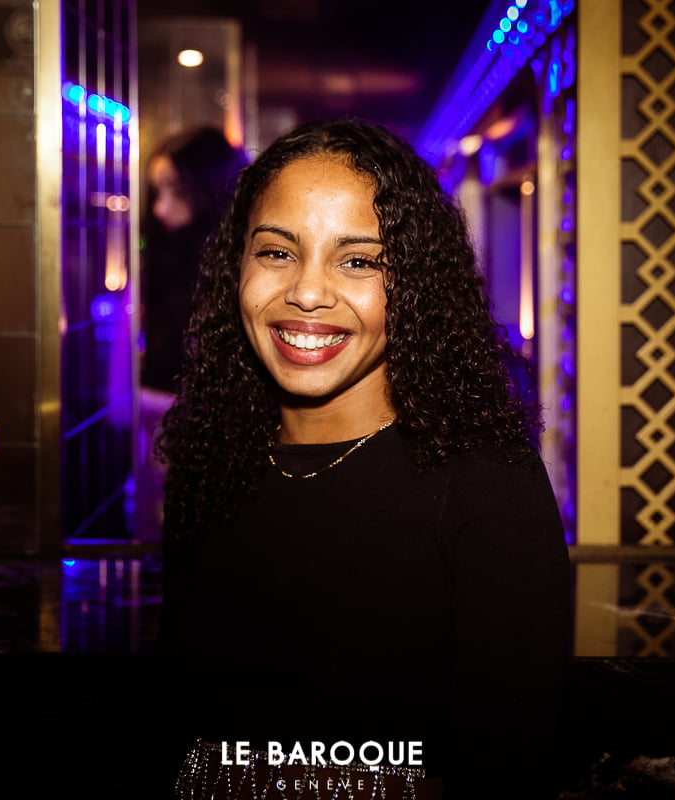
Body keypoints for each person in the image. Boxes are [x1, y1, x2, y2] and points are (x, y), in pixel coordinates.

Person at [155, 119, 571, 799]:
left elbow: (505, 773)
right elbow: (178, 720)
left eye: (358, 261)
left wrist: (234, 779)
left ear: (415, 283)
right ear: (237, 268)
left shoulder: (487, 486)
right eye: (277, 252)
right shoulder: (212, 464)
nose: (308, 292)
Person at [141, 126, 248, 393]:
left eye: (179, 192)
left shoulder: (233, 267)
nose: (160, 208)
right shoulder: (160, 256)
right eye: (156, 192)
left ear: (211, 189)